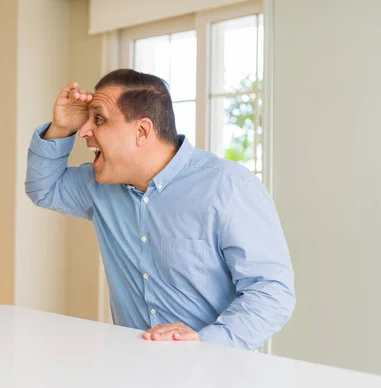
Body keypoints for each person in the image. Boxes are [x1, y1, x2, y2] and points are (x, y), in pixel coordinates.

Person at [25, 69, 295, 351]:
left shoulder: (228, 187)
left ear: (142, 131)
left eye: (99, 119)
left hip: (215, 376)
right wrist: (61, 127)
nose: (84, 131)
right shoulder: (99, 187)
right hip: (134, 372)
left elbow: (272, 291)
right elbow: (44, 188)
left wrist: (205, 343)